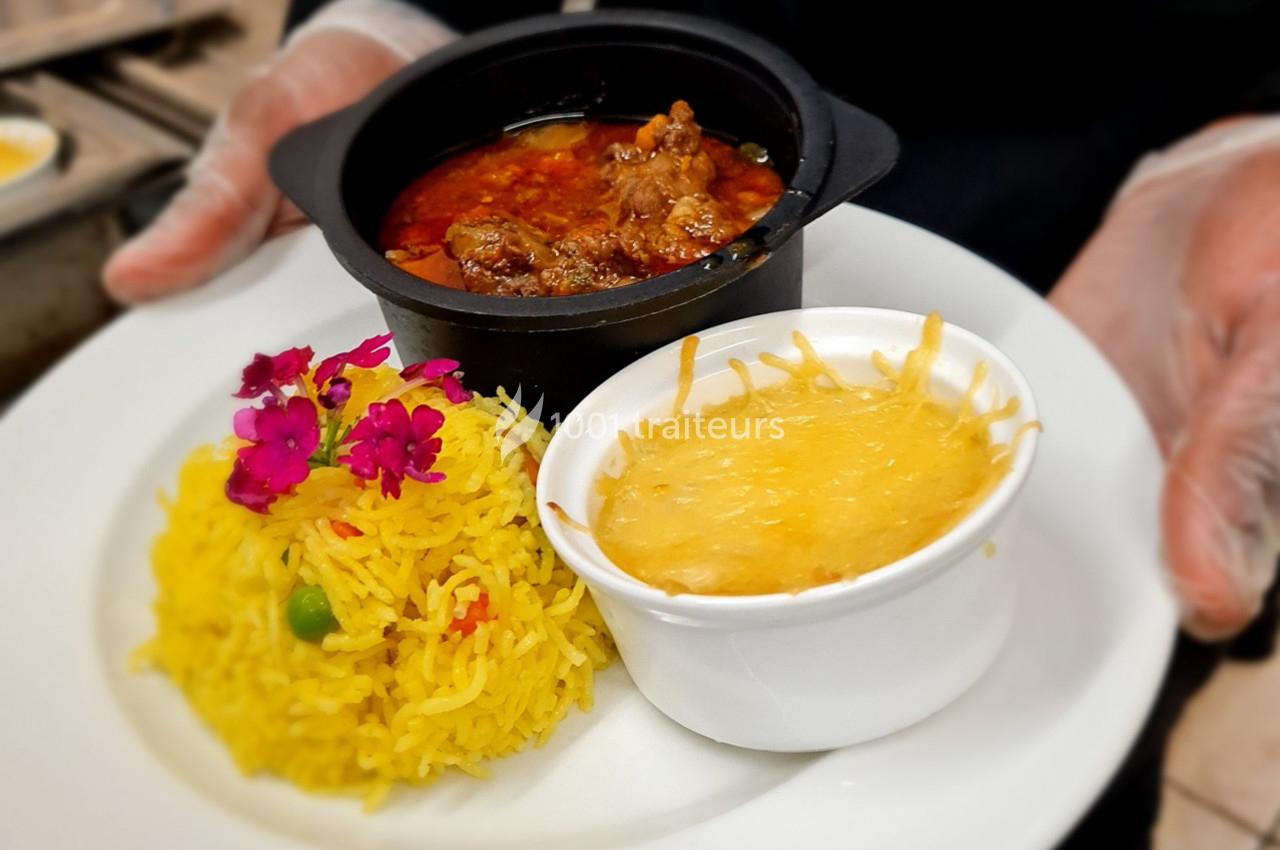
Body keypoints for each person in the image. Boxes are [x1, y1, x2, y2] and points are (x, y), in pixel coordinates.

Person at [101, 1, 1280, 845]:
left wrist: (1260, 131)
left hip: (1110, 238)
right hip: (723, 122)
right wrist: (392, 8)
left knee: (1067, 777)